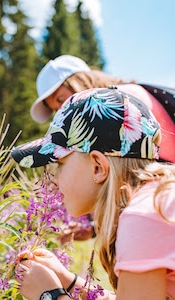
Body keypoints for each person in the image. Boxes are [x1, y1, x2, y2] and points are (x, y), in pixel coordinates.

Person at [11, 87, 175, 300]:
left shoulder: (144, 217)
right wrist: (69, 282)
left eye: (59, 164)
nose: (52, 180)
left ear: (98, 166)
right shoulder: (156, 202)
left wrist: (50, 295)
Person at [30, 55, 175, 164]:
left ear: (79, 81)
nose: (61, 111)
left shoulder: (119, 103)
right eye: (55, 109)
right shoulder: (123, 95)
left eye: (60, 99)